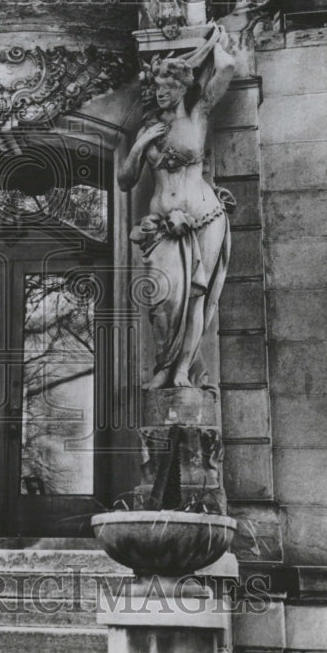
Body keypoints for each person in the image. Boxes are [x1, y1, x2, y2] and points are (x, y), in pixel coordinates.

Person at [118, 24, 236, 390]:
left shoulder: (199, 114)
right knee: (165, 299)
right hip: (161, 226)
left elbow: (227, 69)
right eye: (157, 89)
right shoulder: (148, 130)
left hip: (203, 216)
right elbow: (125, 180)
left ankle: (182, 370)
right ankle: (163, 366)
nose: (161, 94)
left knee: (197, 298)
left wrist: (215, 40)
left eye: (167, 89)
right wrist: (139, 147)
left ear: (182, 88)